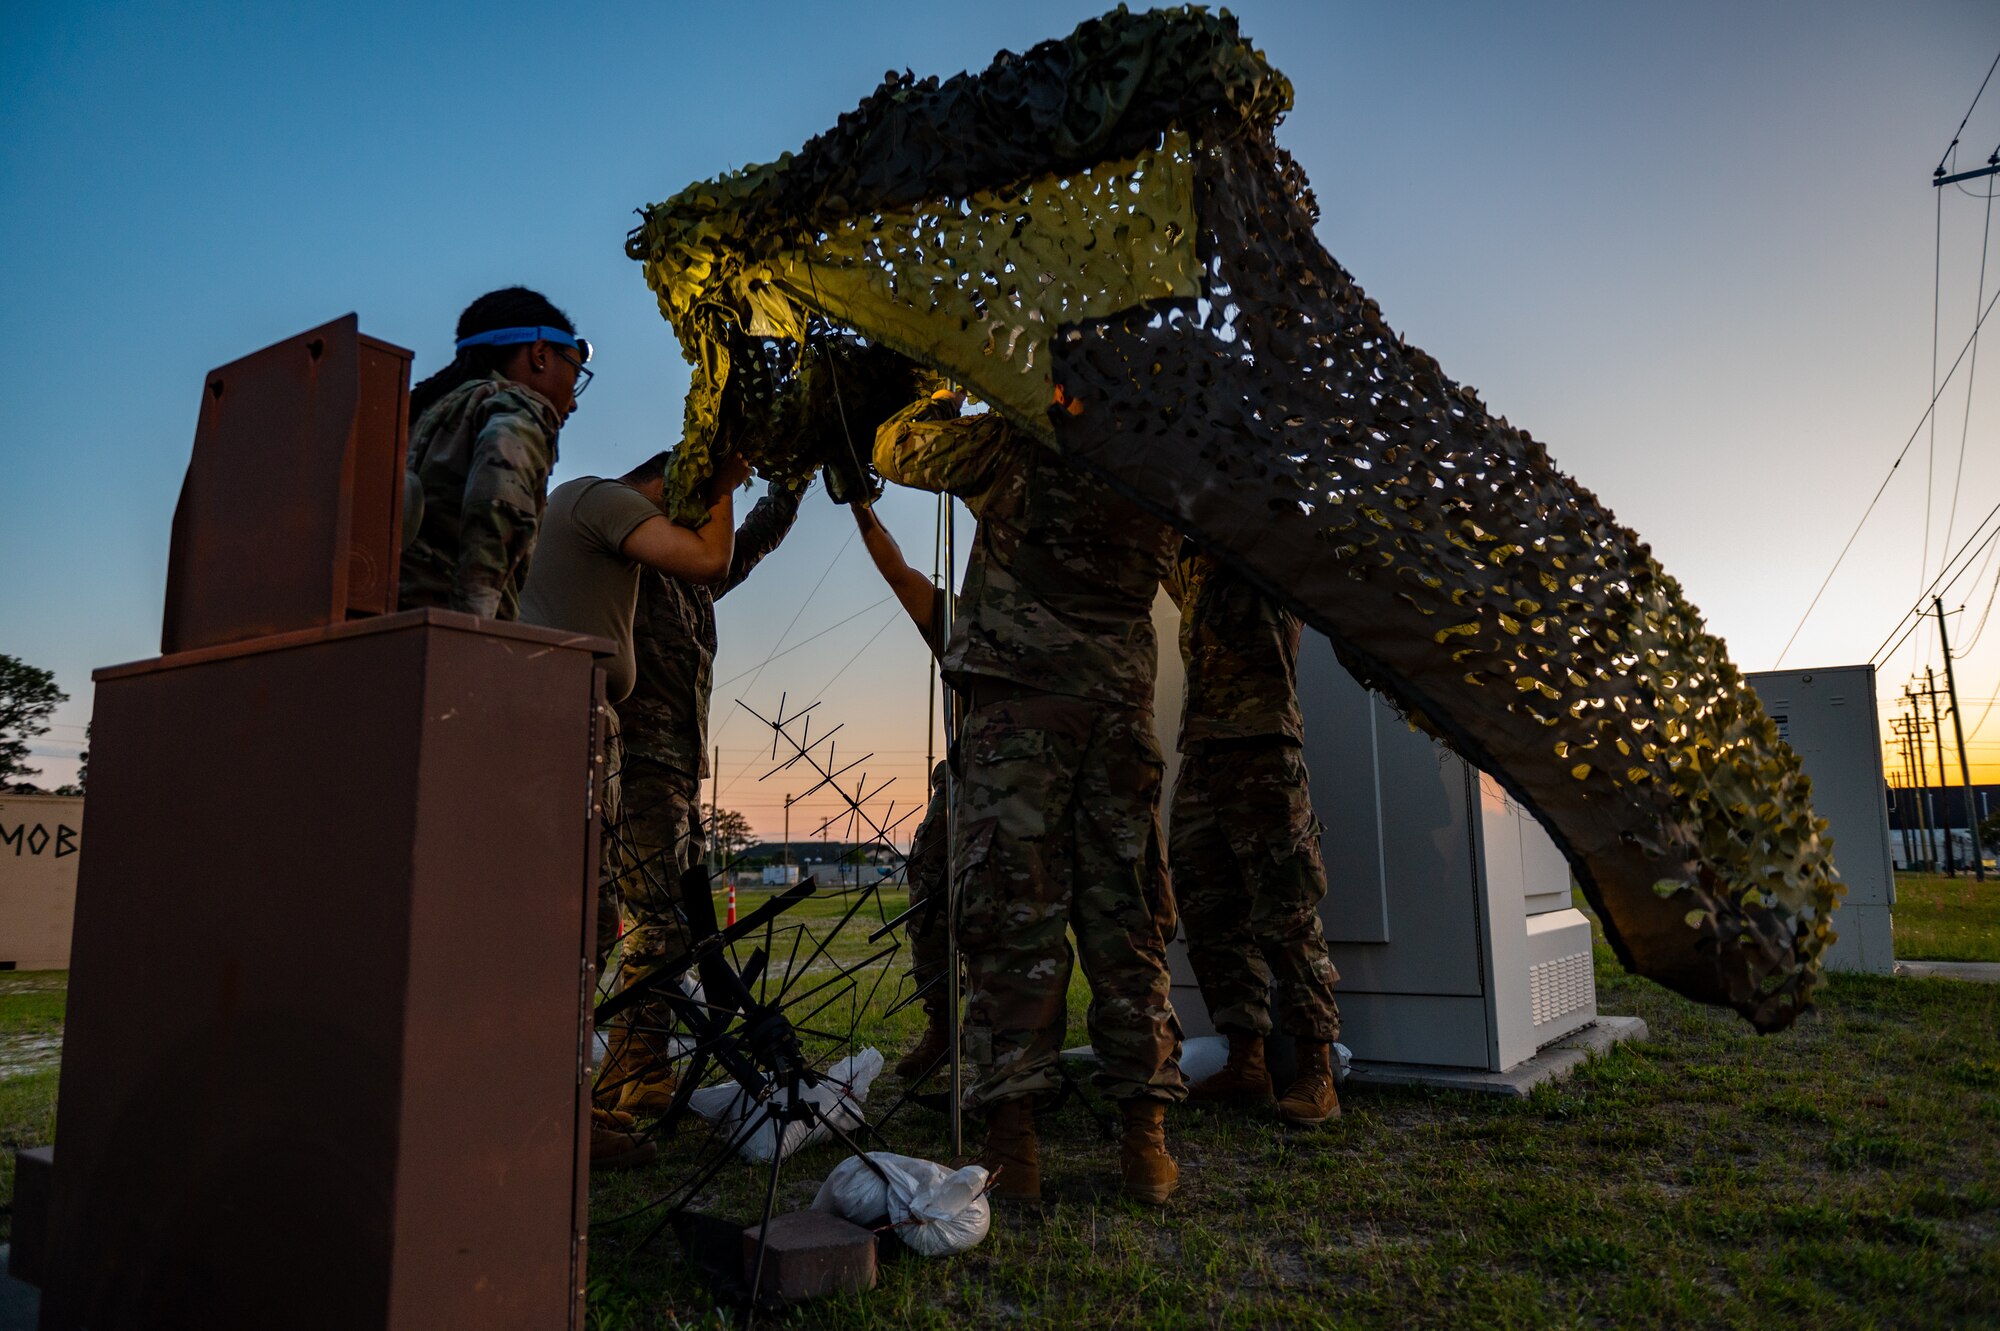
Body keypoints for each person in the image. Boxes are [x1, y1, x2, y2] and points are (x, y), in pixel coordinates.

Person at [873, 387, 1184, 1204]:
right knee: (1128, 918)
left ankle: (1017, 1142)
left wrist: (941, 399)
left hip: (1020, 716)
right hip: (1119, 719)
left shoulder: (1013, 449)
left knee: (1016, 918)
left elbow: (895, 446)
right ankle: (1143, 1141)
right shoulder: (1160, 472)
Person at [517, 447, 750, 1168]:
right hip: (632, 755)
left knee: (633, 920)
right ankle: (614, 1075)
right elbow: (713, 560)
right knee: (639, 920)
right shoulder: (620, 527)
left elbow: (729, 563)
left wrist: (783, 499)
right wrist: (718, 478)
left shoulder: (663, 573)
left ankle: (613, 1081)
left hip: (655, 758)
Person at [594, 469, 805, 1119]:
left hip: (681, 775)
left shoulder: (695, 579)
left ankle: (627, 1069)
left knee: (682, 930)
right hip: (638, 767)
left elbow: (753, 540)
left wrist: (791, 486)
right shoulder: (638, 558)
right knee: (658, 930)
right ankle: (644, 1077)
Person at [1165, 545, 1342, 1126]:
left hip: (1265, 750)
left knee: (1287, 913)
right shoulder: (1189, 565)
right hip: (1201, 757)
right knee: (1210, 914)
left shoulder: (1269, 549)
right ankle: (1246, 1062)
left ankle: (1317, 1070)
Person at [401, 287, 593, 619]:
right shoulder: (520, 406)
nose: (573, 401)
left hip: (395, 623)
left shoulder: (421, 412)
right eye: (574, 374)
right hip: (453, 635)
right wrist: (479, 621)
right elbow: (500, 501)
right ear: (541, 353)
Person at [845, 500, 953, 1082]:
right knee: (930, 893)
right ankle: (945, 1027)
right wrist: (859, 502)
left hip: (1061, 783)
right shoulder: (968, 621)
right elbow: (899, 573)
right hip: (972, 784)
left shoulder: (1086, 614)